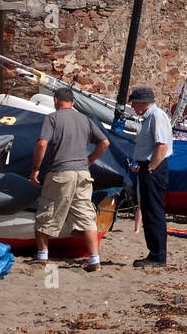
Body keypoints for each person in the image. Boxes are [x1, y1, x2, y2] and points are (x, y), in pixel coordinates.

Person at [30, 88, 110, 272]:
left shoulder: (52, 118)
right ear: (73, 103)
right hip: (82, 173)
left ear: (56, 100)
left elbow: (42, 143)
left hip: (61, 173)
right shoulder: (85, 120)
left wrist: (35, 169)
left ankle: (42, 256)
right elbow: (105, 143)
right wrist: (89, 160)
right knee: (85, 215)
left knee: (47, 210)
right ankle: (94, 260)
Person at [129, 85, 173, 268]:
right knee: (148, 209)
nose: (132, 106)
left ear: (141, 103)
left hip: (154, 167)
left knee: (153, 210)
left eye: (133, 103)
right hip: (149, 166)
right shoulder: (150, 117)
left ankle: (157, 254)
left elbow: (162, 146)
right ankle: (155, 252)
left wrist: (151, 168)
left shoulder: (156, 116)